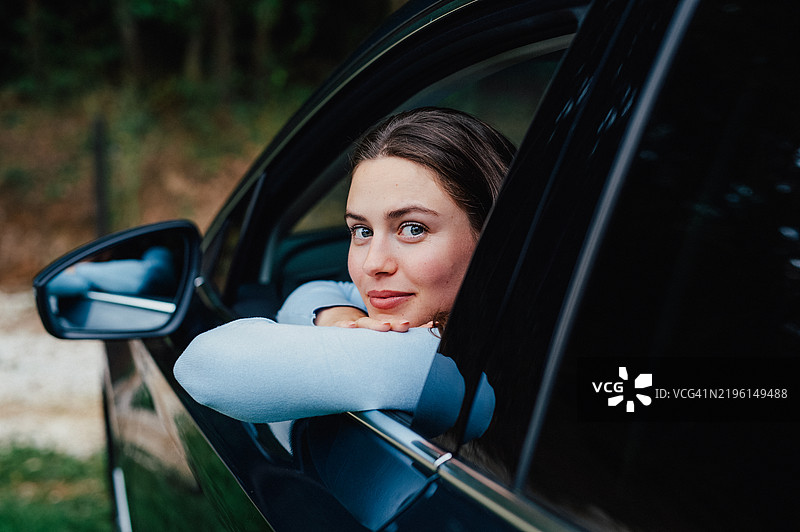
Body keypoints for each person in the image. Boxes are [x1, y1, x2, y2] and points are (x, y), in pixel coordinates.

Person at [174, 108, 514, 441]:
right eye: (362, 231)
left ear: (491, 238)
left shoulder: (434, 365)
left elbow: (202, 365)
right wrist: (339, 318)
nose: (372, 264)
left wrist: (347, 336)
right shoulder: (495, 335)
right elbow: (315, 291)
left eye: (413, 228)